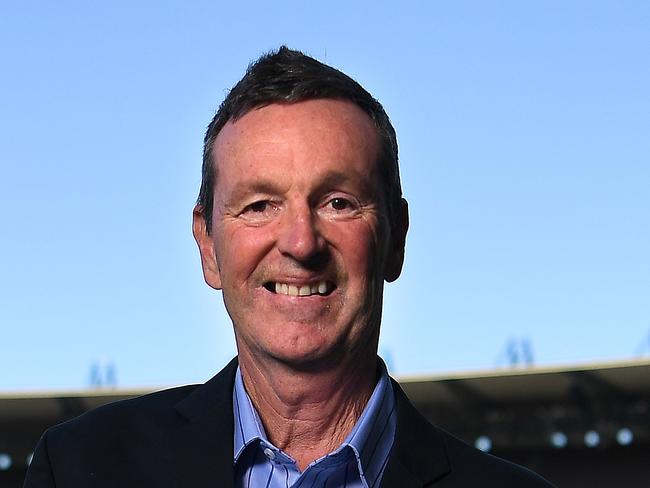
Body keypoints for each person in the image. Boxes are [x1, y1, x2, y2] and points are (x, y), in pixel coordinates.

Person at [24, 47, 554, 488]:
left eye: (338, 202)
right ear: (207, 246)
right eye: (259, 205)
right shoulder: (78, 468)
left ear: (397, 237)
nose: (301, 242)